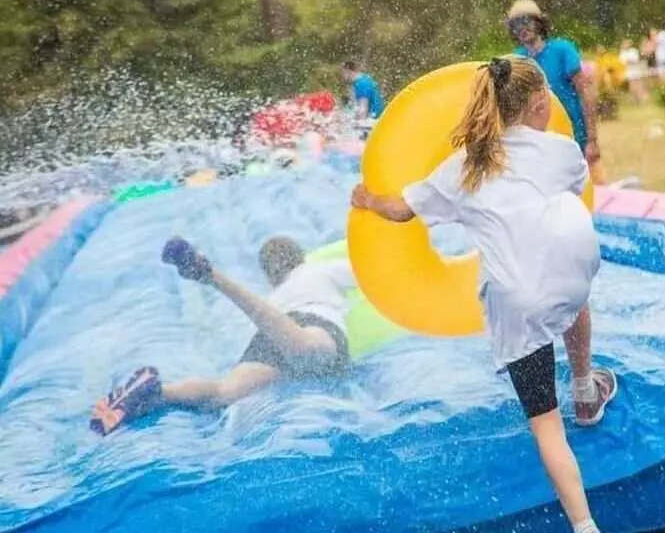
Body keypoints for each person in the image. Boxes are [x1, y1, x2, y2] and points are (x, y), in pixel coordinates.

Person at [351, 56, 617, 533]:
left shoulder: (464, 168)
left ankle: (584, 526)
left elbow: (401, 211)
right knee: (568, 286)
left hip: (517, 301)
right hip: (571, 276)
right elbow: (571, 195)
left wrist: (368, 200)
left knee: (546, 425)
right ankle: (584, 390)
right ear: (541, 104)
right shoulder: (560, 150)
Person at [89, 236, 355, 436]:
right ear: (301, 257)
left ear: (269, 273)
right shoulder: (318, 269)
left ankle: (160, 393)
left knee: (223, 393)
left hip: (270, 331)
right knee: (308, 348)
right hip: (312, 322)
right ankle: (212, 277)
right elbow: (369, 270)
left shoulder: (276, 295)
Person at [504, 0, 605, 185]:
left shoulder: (562, 50)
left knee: (593, 190)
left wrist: (592, 139)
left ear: (538, 23)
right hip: (541, 142)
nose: (522, 28)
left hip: (576, 136)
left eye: (526, 21)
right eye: (516, 24)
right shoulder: (518, 59)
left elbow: (585, 93)